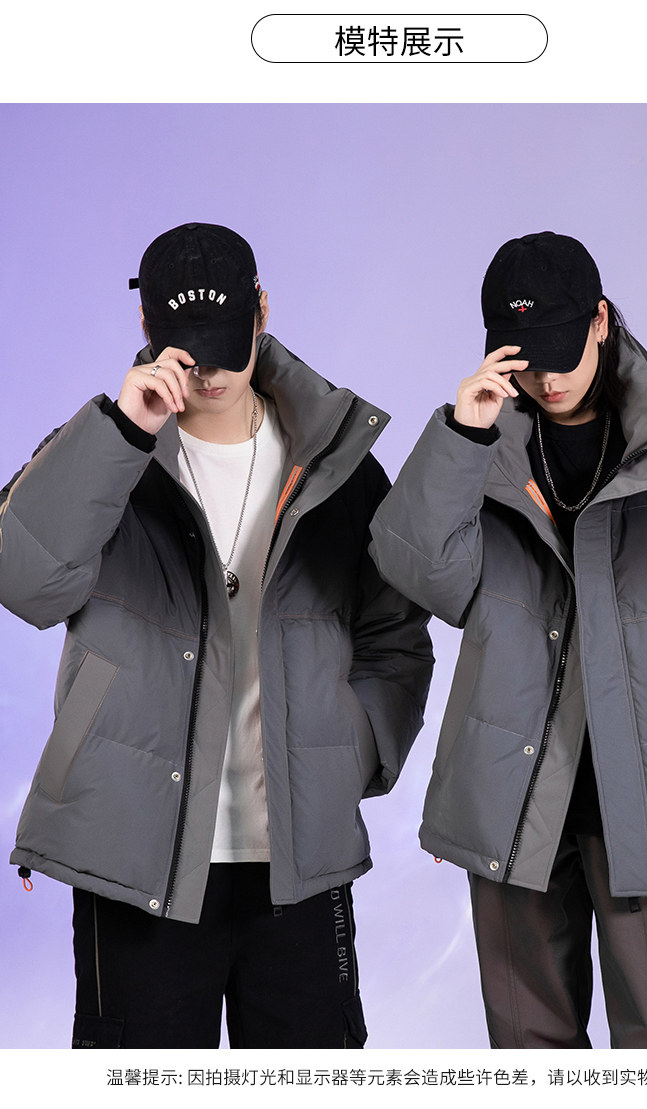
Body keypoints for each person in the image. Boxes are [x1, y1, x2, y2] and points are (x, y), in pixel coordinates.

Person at [0, 222, 432, 1049]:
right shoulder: (98, 456)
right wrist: (122, 432)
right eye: (188, 349)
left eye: (226, 344)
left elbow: (396, 631)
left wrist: (351, 752)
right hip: (137, 861)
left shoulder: (336, 465)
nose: (208, 373)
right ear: (146, 328)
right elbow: (24, 581)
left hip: (298, 868)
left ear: (263, 311)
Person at [369, 231, 647, 1048]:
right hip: (513, 805)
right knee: (530, 1060)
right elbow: (417, 573)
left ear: (600, 321)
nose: (547, 377)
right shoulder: (479, 453)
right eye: (526, 358)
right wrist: (461, 437)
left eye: (562, 350)